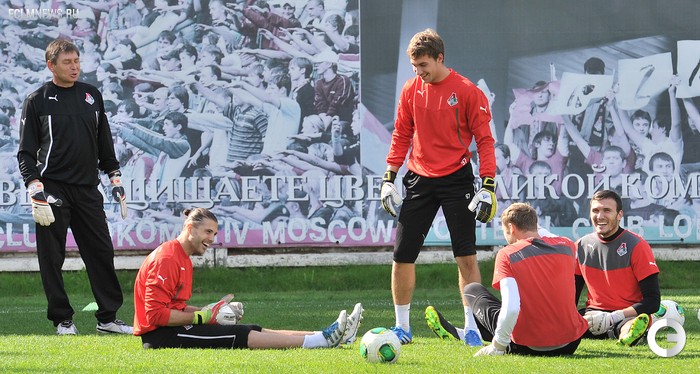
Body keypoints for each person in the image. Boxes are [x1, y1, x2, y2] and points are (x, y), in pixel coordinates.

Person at [380, 29, 496, 346]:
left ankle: (472, 327)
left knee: (466, 258)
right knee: (401, 256)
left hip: (457, 178)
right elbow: (401, 134)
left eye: (424, 65)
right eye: (415, 67)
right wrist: (389, 177)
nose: (419, 72)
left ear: (440, 58)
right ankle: (402, 327)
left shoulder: (468, 91)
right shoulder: (410, 89)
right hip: (418, 179)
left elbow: (485, 141)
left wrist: (488, 184)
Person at [17, 39, 132, 335]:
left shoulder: (92, 96)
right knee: (52, 256)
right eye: (67, 62)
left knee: (101, 251)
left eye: (77, 61)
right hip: (52, 189)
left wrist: (114, 178)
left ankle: (107, 318)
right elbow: (26, 152)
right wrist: (34, 186)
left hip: (87, 189)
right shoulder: (37, 100)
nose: (74, 67)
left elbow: (104, 143)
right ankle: (62, 319)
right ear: (51, 65)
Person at [133, 207, 364, 349]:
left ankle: (327, 334)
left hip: (172, 329)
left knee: (251, 328)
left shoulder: (182, 257)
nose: (212, 239)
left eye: (214, 233)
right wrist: (202, 317)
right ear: (190, 228)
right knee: (241, 334)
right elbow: (155, 315)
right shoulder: (167, 258)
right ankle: (322, 342)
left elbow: (175, 306)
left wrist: (212, 311)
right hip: (161, 337)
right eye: (208, 232)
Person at [425, 203, 589, 356]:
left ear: (511, 228)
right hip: (571, 343)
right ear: (535, 225)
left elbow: (511, 308)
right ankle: (470, 333)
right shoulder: (567, 245)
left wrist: (498, 346)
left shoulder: (507, 254)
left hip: (530, 345)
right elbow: (546, 237)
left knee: (472, 290)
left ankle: (483, 336)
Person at [575, 190, 661, 346]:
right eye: (595, 210)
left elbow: (653, 301)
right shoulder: (581, 246)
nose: (600, 216)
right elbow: (571, 296)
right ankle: (617, 331)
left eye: (606, 210)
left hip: (628, 313)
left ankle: (630, 332)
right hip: (594, 314)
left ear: (619, 214)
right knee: (569, 324)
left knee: (625, 326)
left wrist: (613, 317)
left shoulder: (637, 245)